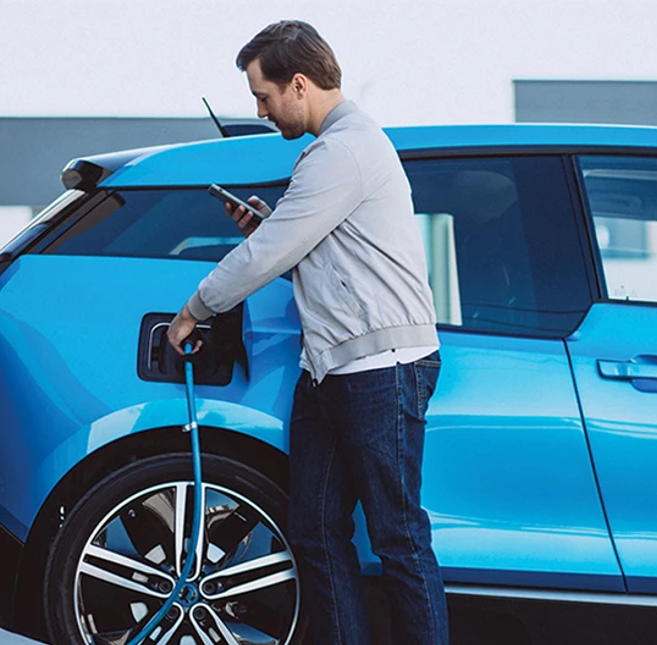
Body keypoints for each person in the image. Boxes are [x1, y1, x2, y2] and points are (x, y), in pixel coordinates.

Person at [166, 20, 449, 645]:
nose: (260, 110)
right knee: (315, 533)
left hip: (381, 368)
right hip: (329, 370)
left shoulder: (344, 149)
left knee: (399, 538)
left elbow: (271, 255)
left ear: (299, 84)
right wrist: (267, 227)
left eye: (263, 96)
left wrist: (196, 308)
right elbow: (317, 254)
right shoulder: (338, 153)